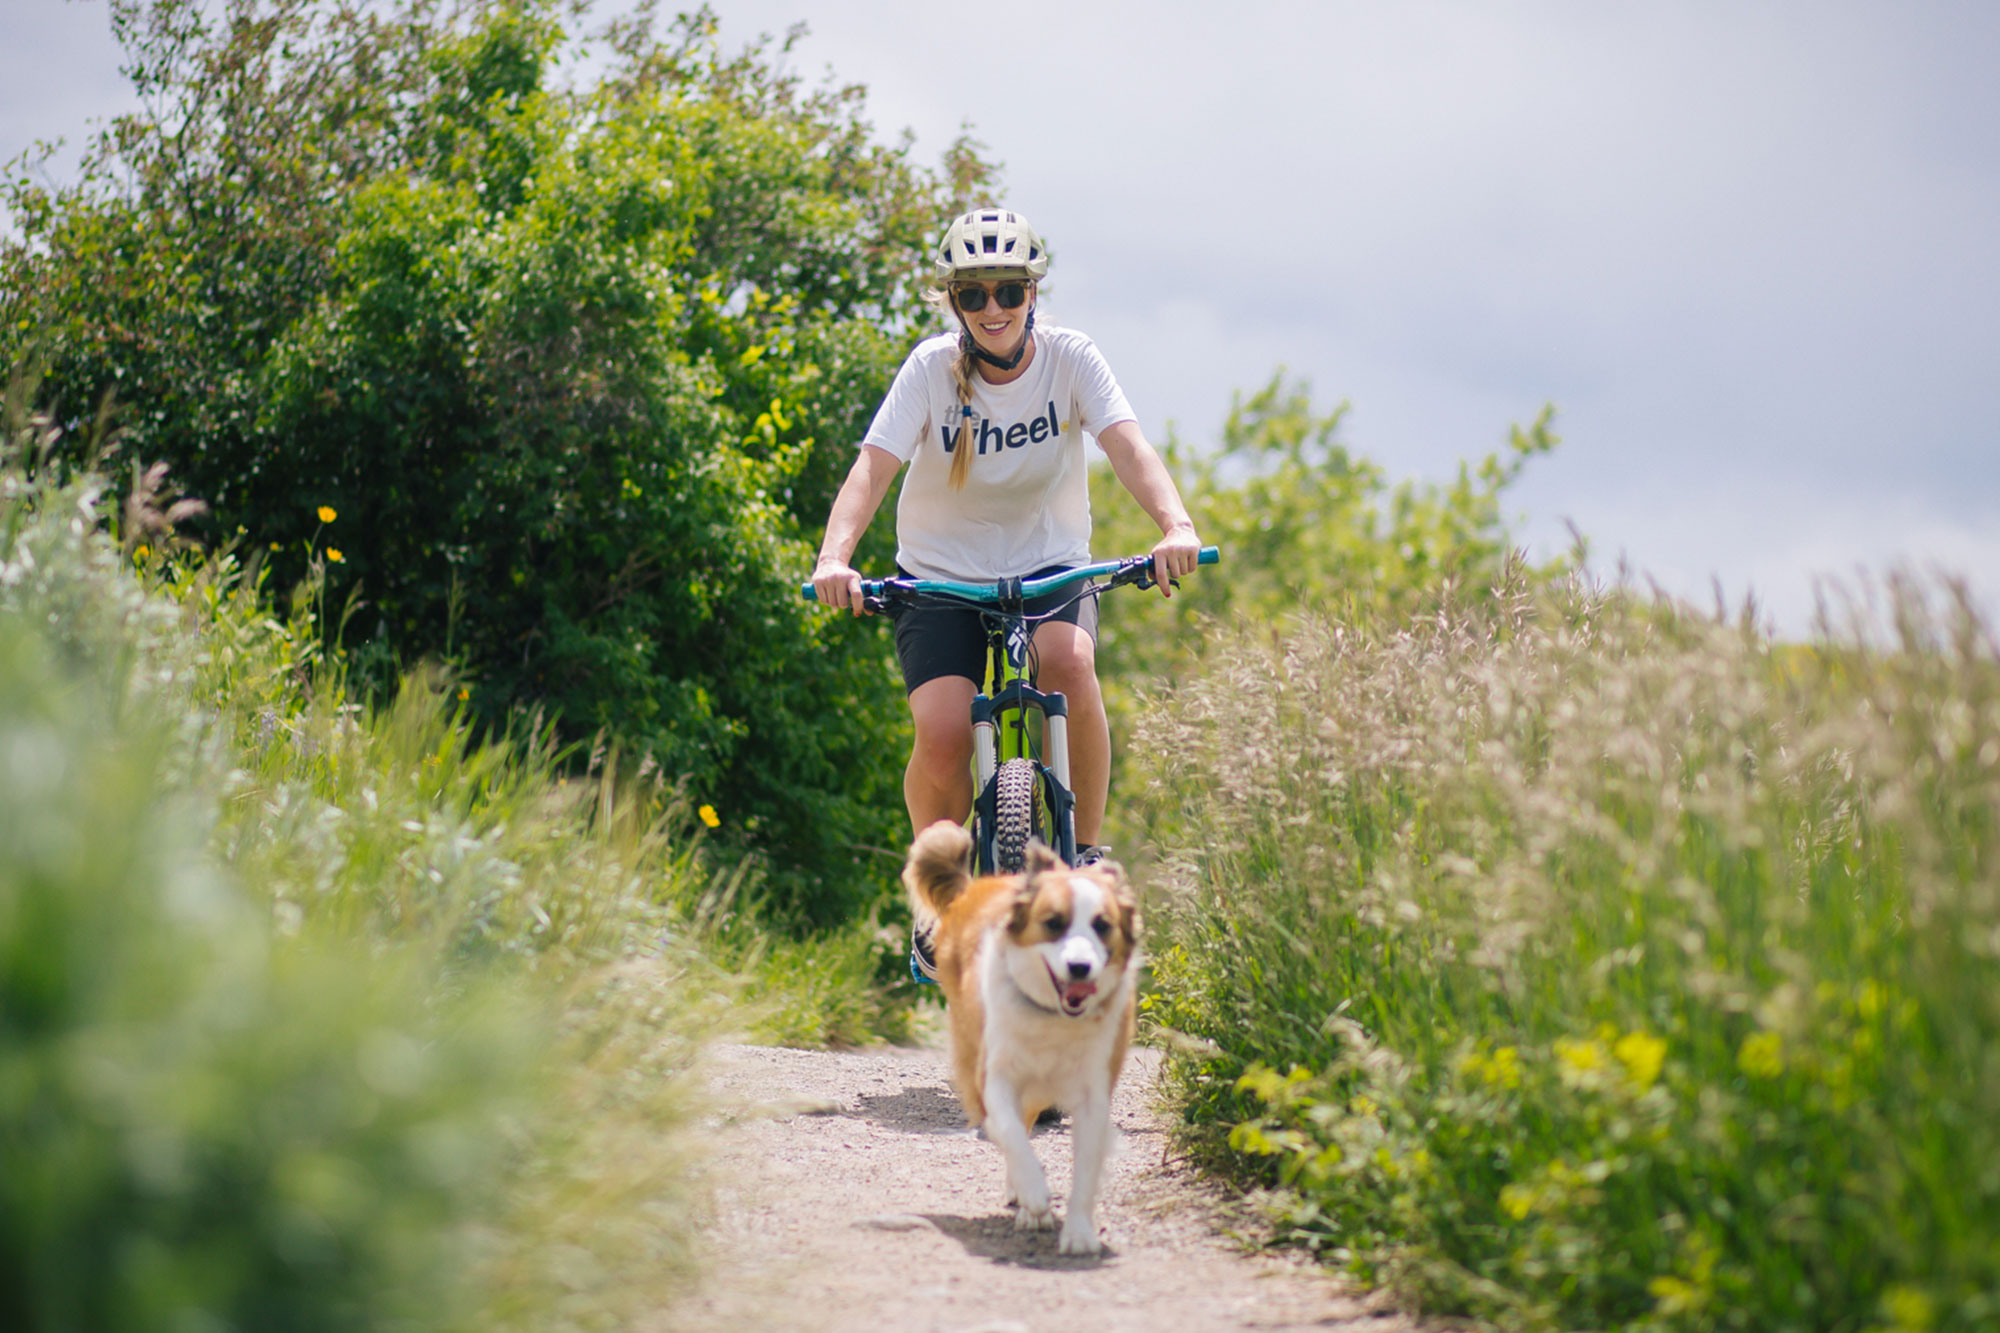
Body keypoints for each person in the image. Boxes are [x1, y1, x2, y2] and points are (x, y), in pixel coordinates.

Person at [810, 208, 1201, 968]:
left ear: (1032, 293)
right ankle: (939, 902)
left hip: (1049, 564)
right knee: (944, 731)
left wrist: (1174, 526)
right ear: (954, 302)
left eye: (1009, 291)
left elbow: (1127, 446)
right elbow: (872, 468)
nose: (994, 309)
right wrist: (835, 559)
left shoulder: (1071, 358)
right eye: (974, 294)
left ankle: (1085, 853)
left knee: (1070, 663)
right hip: (939, 577)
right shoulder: (930, 370)